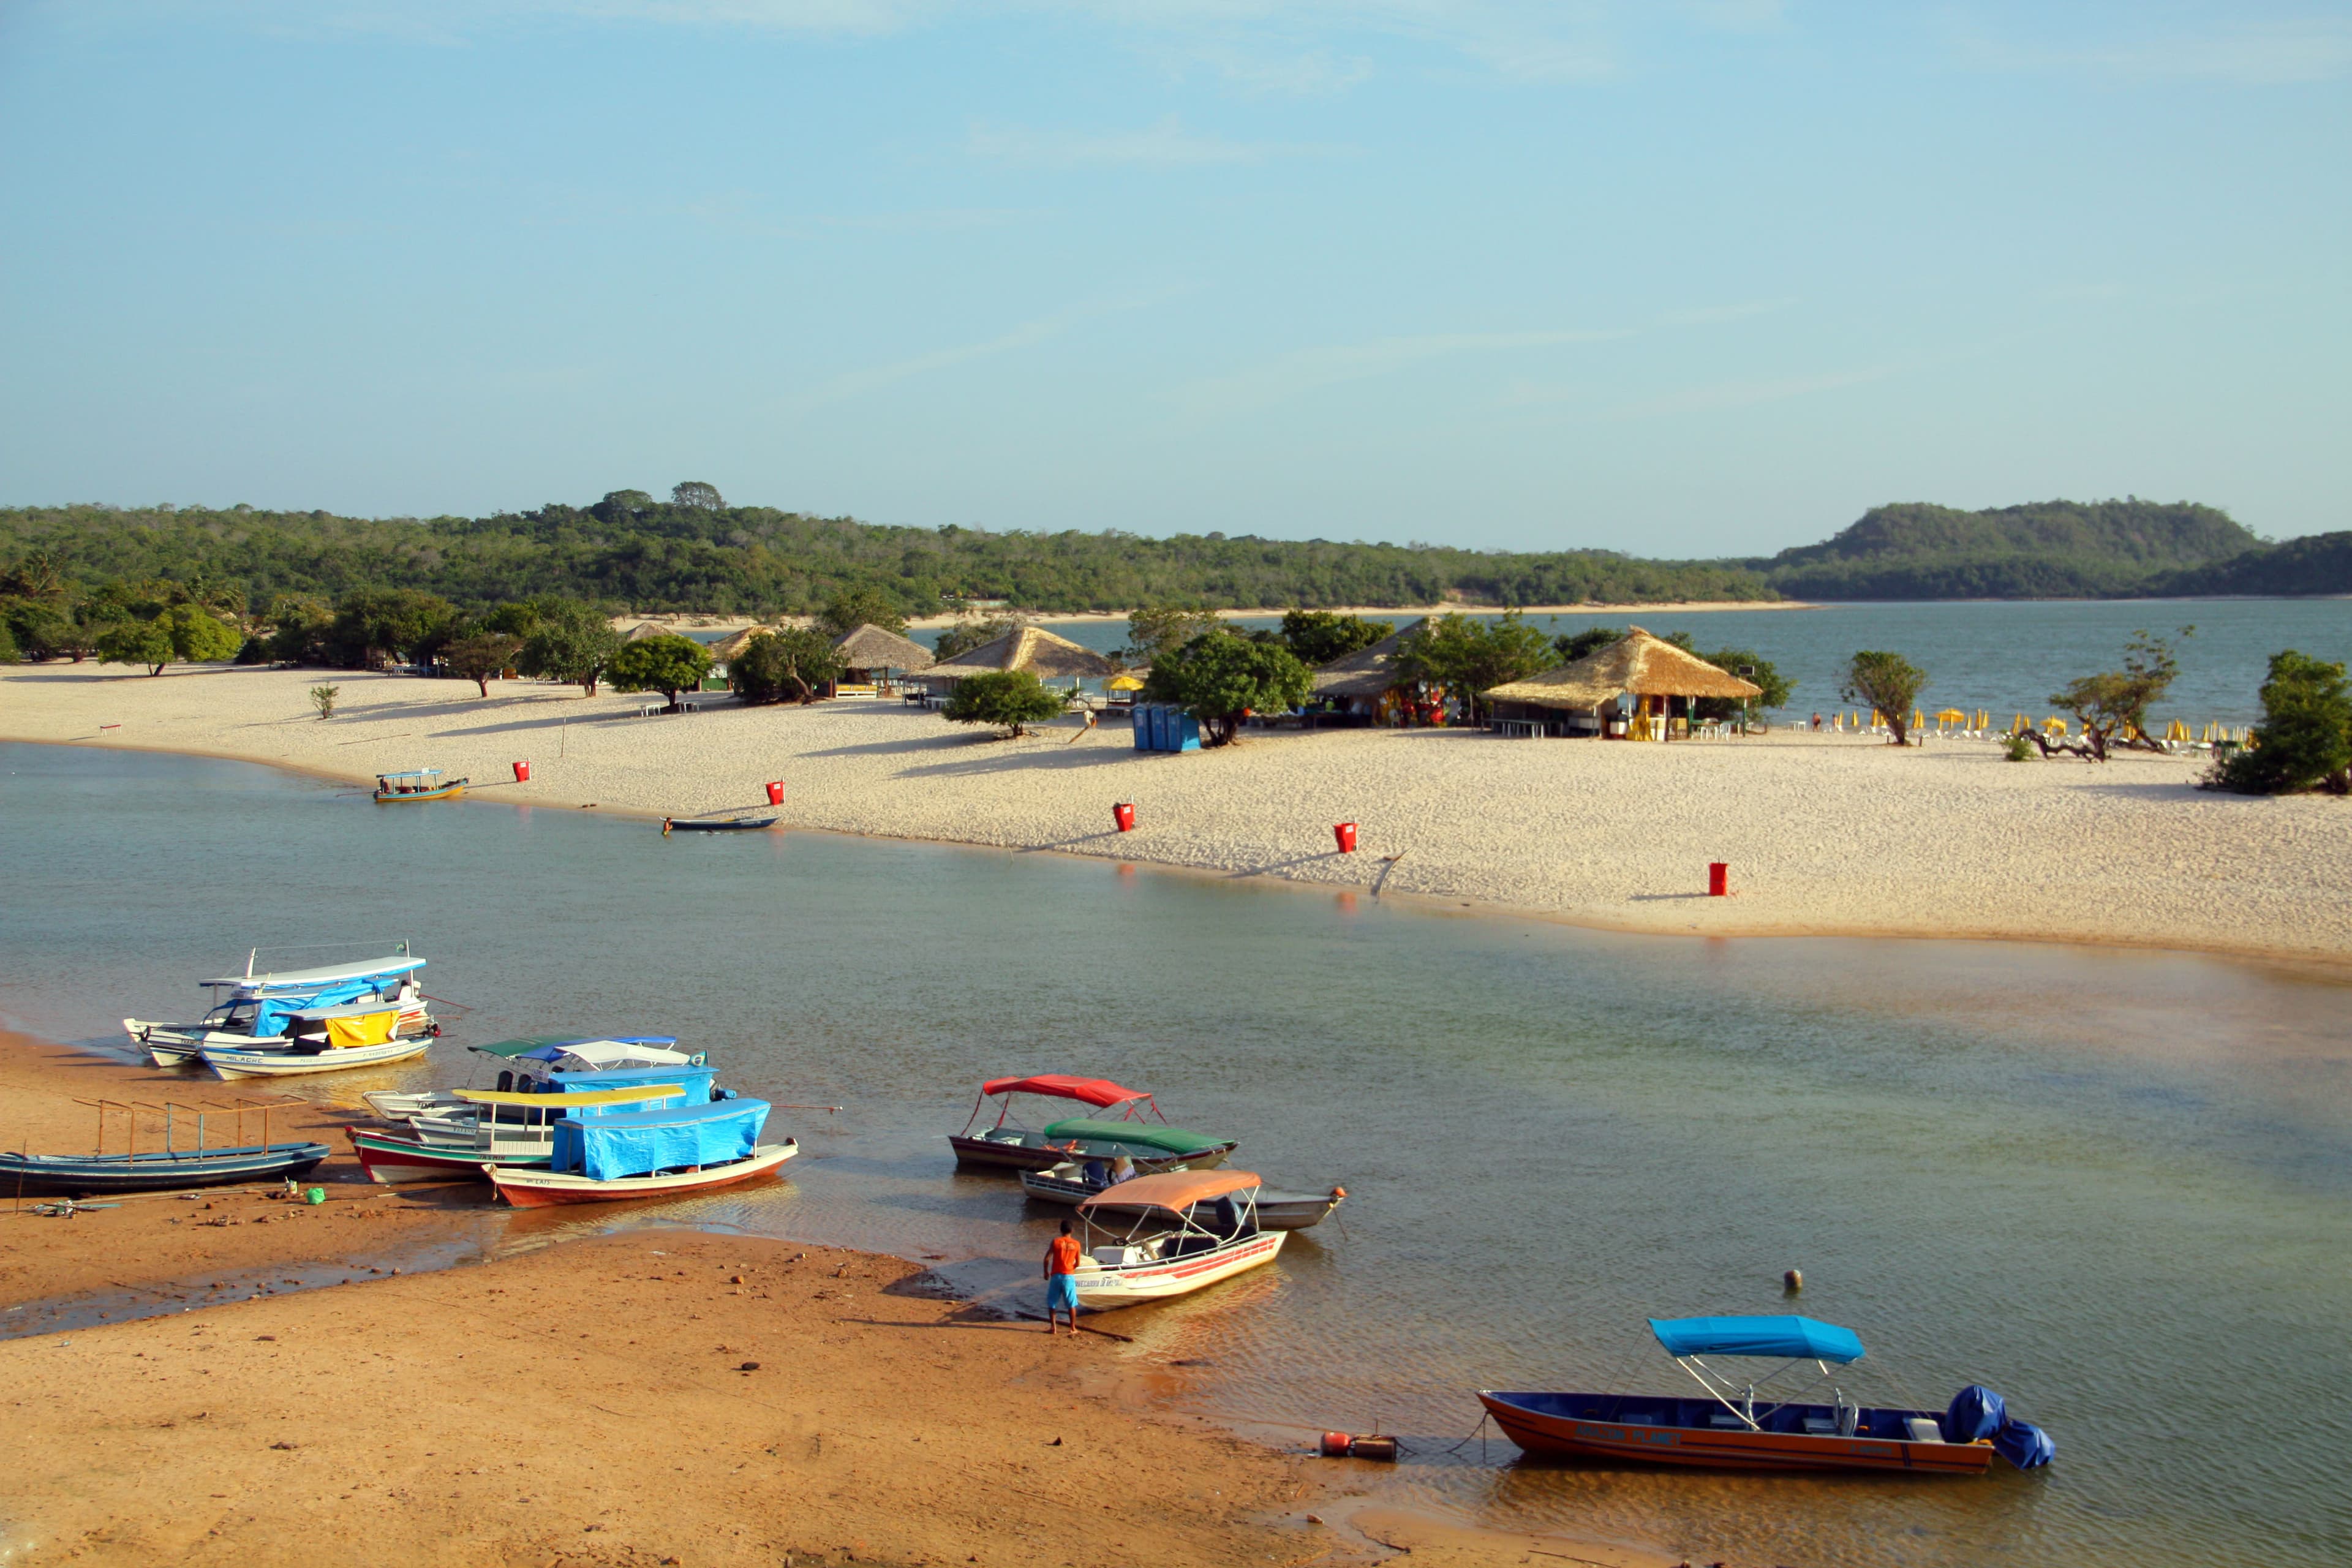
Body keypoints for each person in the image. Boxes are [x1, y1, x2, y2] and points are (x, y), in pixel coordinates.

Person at [1042, 1219, 1082, 1336]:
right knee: (1071, 1303)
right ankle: (1072, 1328)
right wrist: (1070, 1268)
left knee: (1052, 1302)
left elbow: (1047, 1259)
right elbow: (1078, 1263)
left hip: (1056, 1276)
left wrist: (1046, 1272)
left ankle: (1053, 1328)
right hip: (1068, 1275)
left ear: (1061, 1230)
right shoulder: (1076, 1244)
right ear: (1072, 1230)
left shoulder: (1056, 1242)